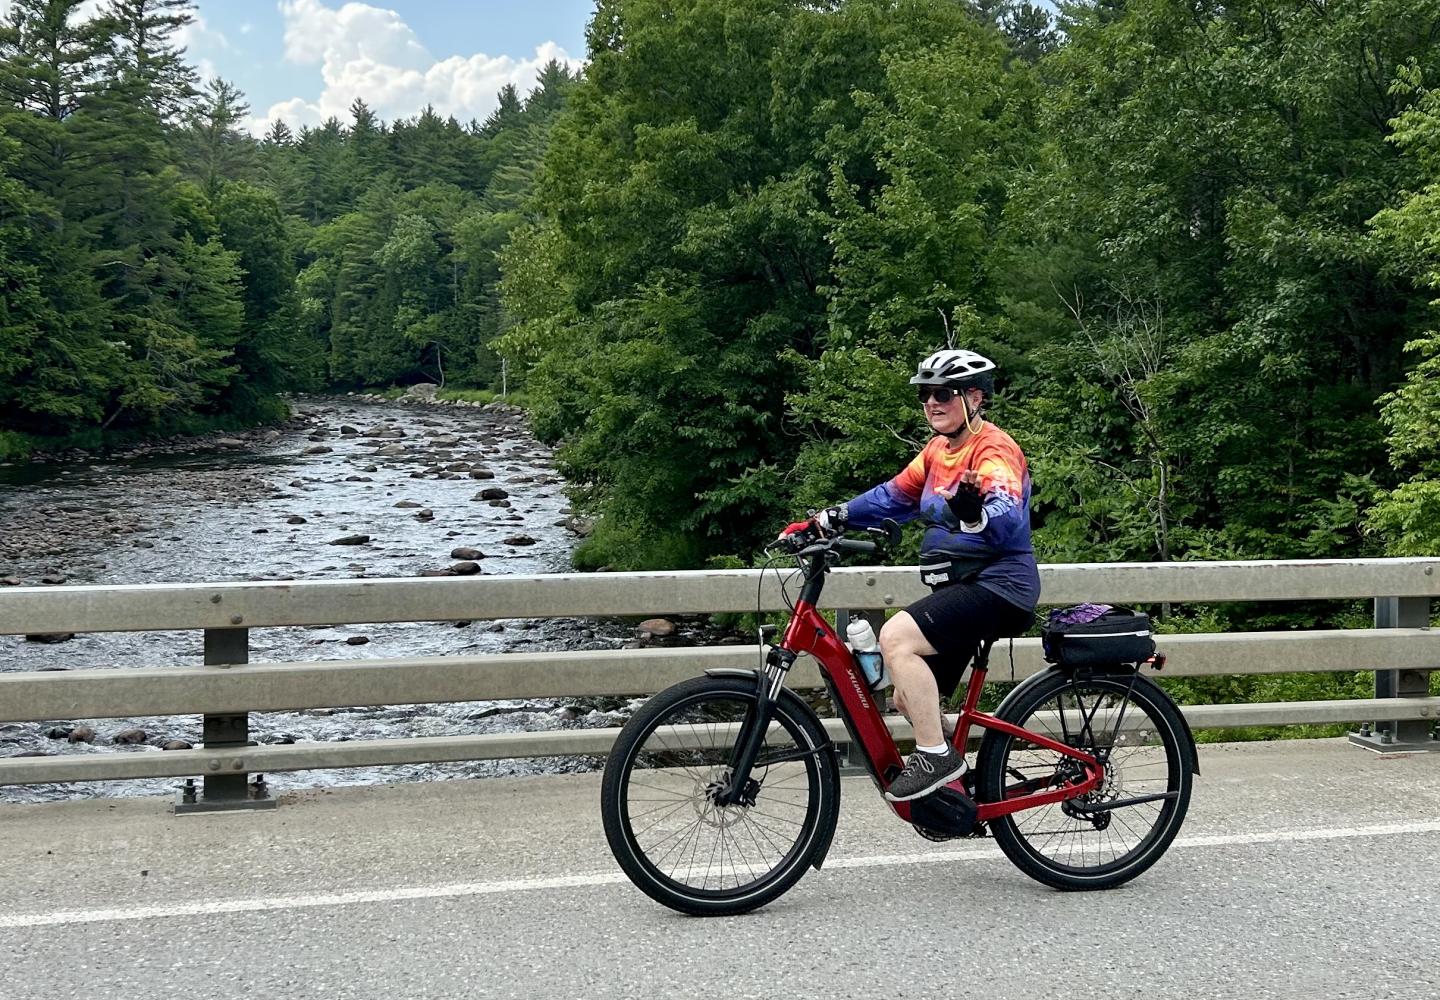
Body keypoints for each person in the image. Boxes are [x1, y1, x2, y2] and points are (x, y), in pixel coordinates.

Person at [781, 349, 1040, 802]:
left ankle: (937, 757)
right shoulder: (939, 451)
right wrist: (828, 519)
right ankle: (957, 790)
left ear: (975, 397)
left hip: (1000, 587)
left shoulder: (993, 450)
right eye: (925, 394)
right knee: (907, 697)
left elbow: (1004, 507)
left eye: (944, 393)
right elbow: (892, 496)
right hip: (964, 586)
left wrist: (976, 513)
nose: (932, 403)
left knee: (897, 638)